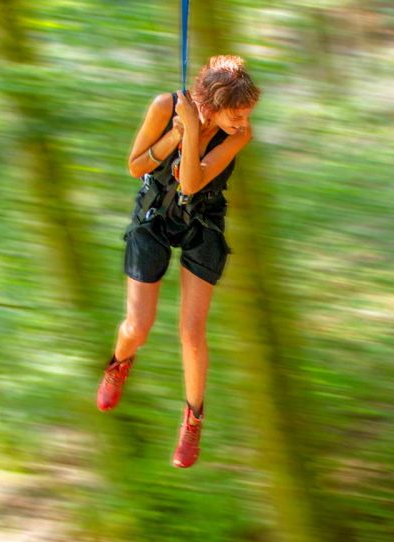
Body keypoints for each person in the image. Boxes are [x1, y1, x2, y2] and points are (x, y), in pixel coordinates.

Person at [96, 55, 259, 469]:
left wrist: (191, 137)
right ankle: (119, 364)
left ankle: (192, 420)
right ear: (214, 103)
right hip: (153, 216)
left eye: (246, 115)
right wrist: (176, 133)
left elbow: (191, 182)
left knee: (191, 333)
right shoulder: (164, 107)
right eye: (237, 114)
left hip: (201, 221)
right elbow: (136, 167)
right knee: (138, 326)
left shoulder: (237, 136)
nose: (243, 123)